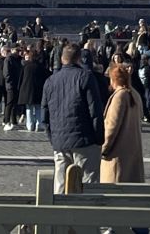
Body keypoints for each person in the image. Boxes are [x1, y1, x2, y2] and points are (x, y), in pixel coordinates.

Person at [41, 42, 105, 193]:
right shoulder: (86, 77)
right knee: (88, 184)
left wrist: (53, 139)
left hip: (60, 141)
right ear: (78, 59)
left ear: (62, 59)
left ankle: (60, 208)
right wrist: (99, 139)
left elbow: (45, 115)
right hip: (85, 140)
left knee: (60, 185)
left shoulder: (50, 81)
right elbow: (95, 111)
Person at [101, 62, 145, 183]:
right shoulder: (134, 94)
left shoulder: (119, 96)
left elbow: (112, 126)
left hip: (117, 156)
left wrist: (104, 148)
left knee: (115, 189)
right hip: (132, 154)